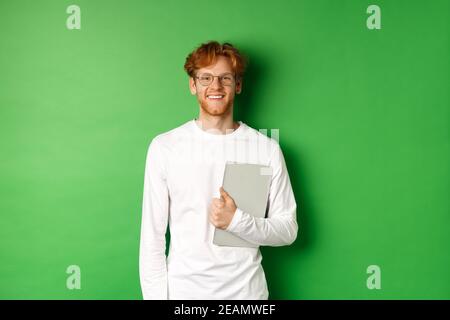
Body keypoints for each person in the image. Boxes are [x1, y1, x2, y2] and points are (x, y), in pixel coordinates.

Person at [139, 41, 298, 300]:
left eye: (225, 78)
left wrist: (237, 221)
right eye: (206, 78)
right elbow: (152, 239)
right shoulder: (164, 147)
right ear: (193, 85)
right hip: (184, 296)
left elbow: (288, 229)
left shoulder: (265, 149)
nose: (215, 86)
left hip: (247, 296)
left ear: (238, 85)